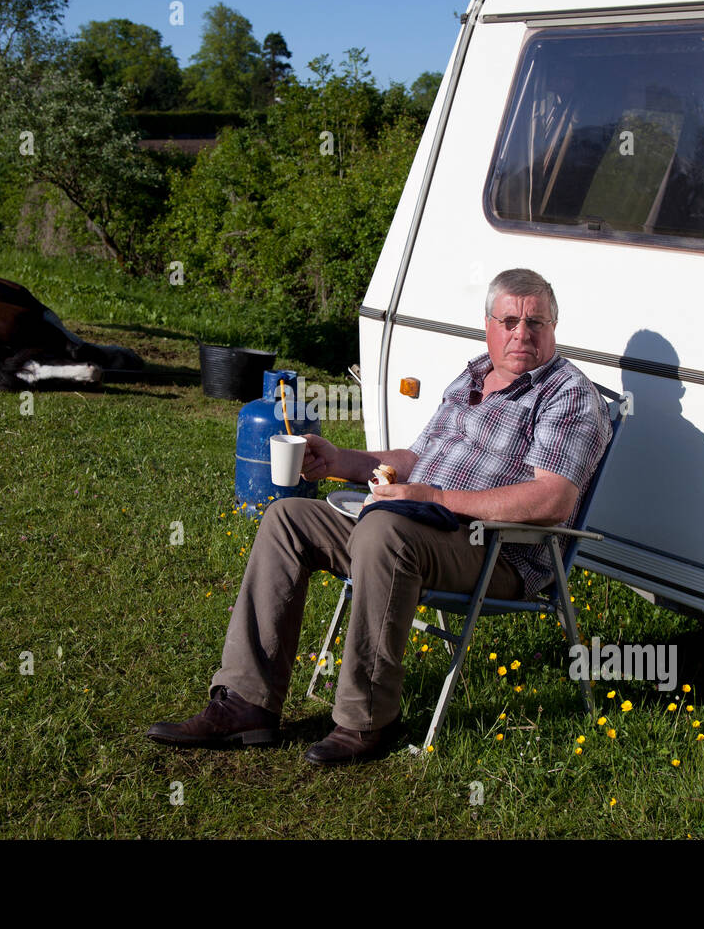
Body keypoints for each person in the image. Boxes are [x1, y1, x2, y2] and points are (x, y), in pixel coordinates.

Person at [147, 268, 612, 764]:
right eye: (510, 321)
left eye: (536, 322)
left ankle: (365, 720)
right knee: (287, 519)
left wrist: (433, 498)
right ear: (488, 325)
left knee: (384, 531)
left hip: (496, 549)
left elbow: (552, 500)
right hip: (417, 523)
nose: (522, 334)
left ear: (554, 328)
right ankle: (247, 703)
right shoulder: (473, 376)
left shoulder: (567, 394)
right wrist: (341, 461)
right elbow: (416, 460)